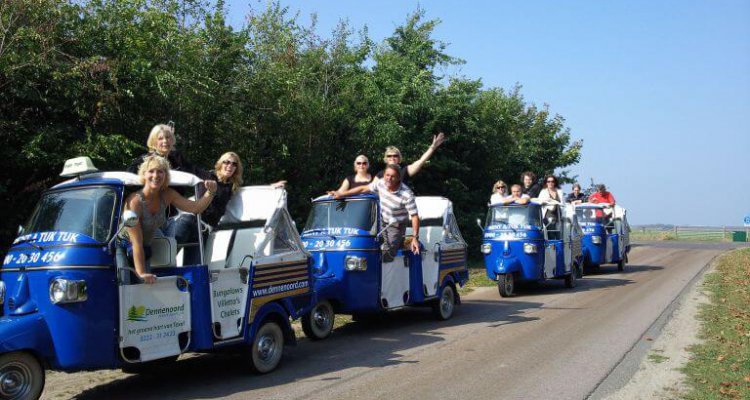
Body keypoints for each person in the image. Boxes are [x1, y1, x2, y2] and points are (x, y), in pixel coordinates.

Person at [120, 155, 217, 283]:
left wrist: (210, 192)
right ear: (144, 174)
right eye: (151, 171)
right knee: (133, 289)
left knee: (148, 291)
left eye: (160, 171)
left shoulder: (167, 194)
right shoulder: (135, 201)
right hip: (124, 250)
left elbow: (196, 208)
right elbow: (136, 243)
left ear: (165, 175)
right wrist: (141, 273)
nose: (156, 175)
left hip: (145, 249)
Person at [330, 164, 420, 262]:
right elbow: (363, 188)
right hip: (380, 221)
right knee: (367, 243)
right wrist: (342, 194)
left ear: (398, 178)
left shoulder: (406, 194)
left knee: (387, 254)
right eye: (387, 175)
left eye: (392, 176)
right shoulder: (381, 183)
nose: (389, 179)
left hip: (396, 226)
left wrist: (415, 237)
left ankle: (399, 245)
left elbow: (414, 216)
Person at [127, 123, 209, 178]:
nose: (165, 141)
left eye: (167, 137)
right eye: (160, 138)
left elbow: (195, 171)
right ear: (153, 142)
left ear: (172, 140)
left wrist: (214, 176)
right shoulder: (146, 159)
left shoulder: (177, 159)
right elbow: (129, 177)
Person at [375, 132, 446, 186]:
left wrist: (432, 147)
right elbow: (371, 188)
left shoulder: (405, 171)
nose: (392, 158)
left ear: (399, 158)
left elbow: (421, 161)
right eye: (389, 156)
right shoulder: (380, 174)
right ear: (386, 159)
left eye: (395, 156)